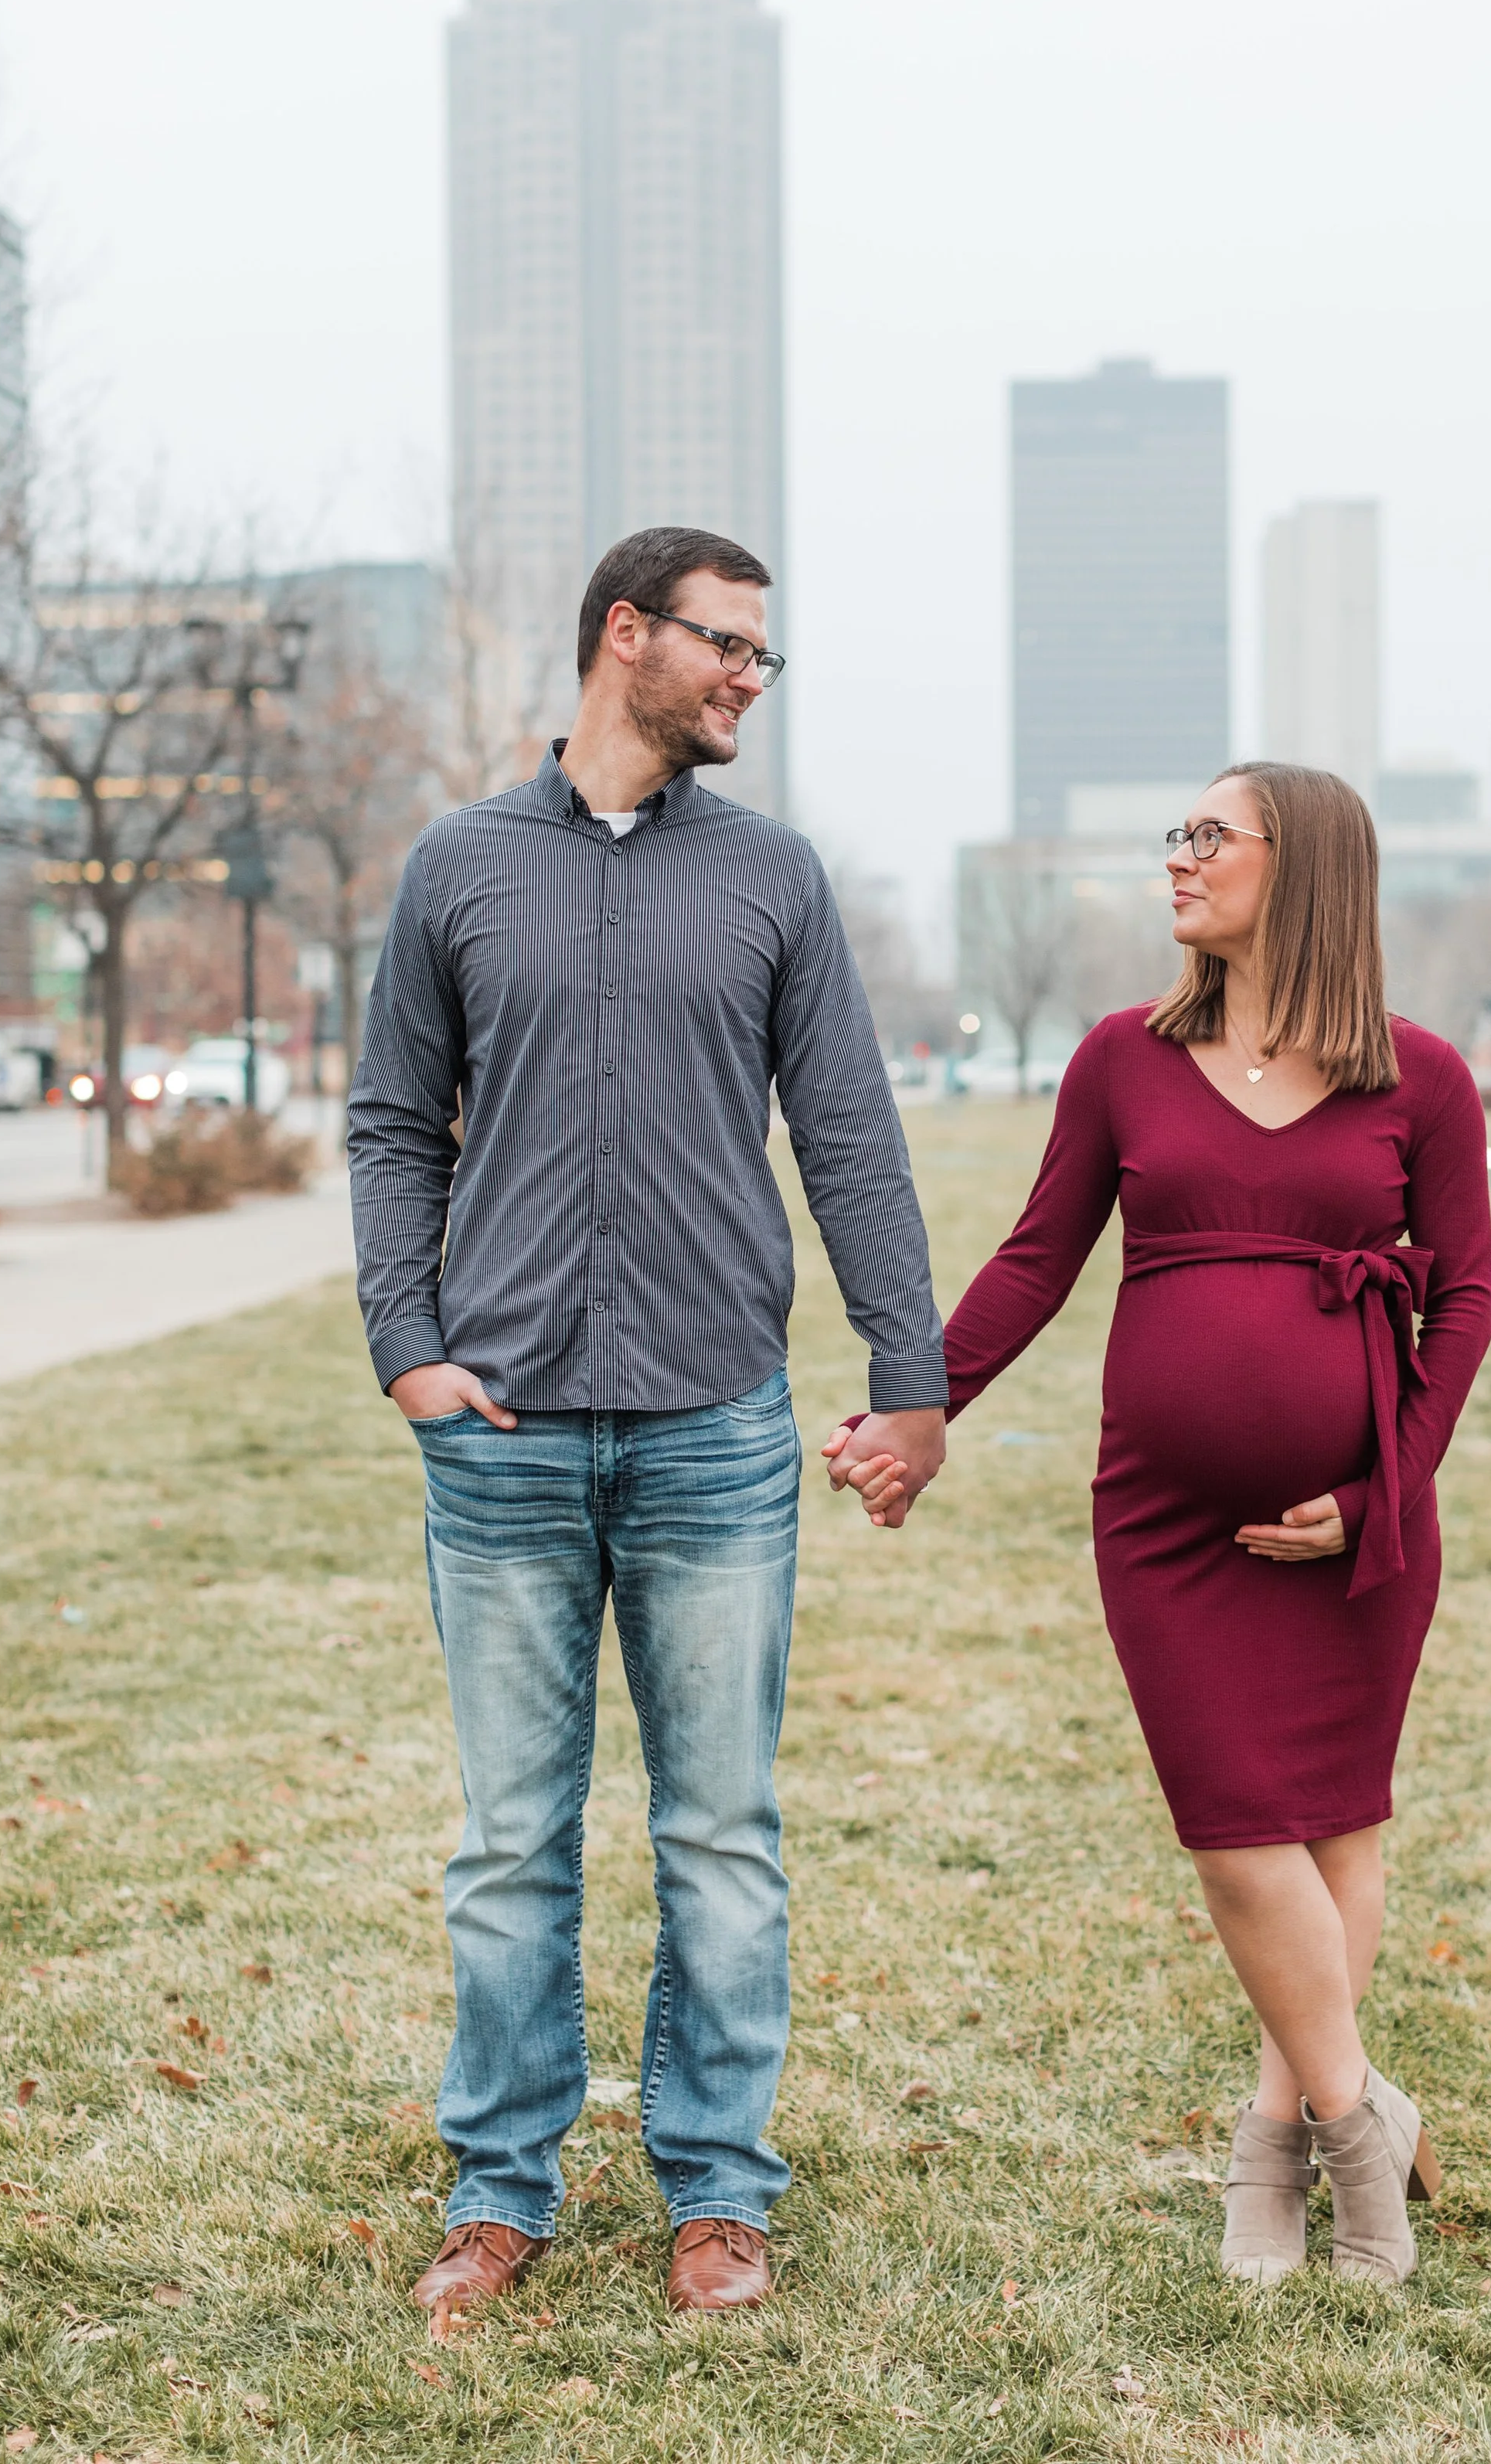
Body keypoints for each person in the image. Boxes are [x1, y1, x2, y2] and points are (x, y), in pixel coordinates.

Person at [349, 526, 947, 2323]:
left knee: (721, 1838)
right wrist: (407, 1350)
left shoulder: (772, 877)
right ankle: (498, 2190)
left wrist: (909, 1376)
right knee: (509, 1844)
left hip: (714, 1432)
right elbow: (393, 1124)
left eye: (764, 653)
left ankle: (719, 2192)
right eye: (726, 645)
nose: (751, 676)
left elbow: (848, 1137)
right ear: (626, 635)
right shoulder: (457, 866)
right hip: (502, 1434)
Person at [830, 761, 1491, 2287]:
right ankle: (1355, 2123)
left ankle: (1278, 2144)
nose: (1178, 858)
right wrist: (912, 1407)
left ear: (1303, 866)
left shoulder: (1423, 1078)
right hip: (1164, 1529)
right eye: (1175, 834)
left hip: (1360, 1531)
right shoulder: (1120, 1060)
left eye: (1209, 835)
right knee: (1236, 1835)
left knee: (1335, 1826)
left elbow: (1459, 1303)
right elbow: (1033, 1261)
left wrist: (1380, 1494)